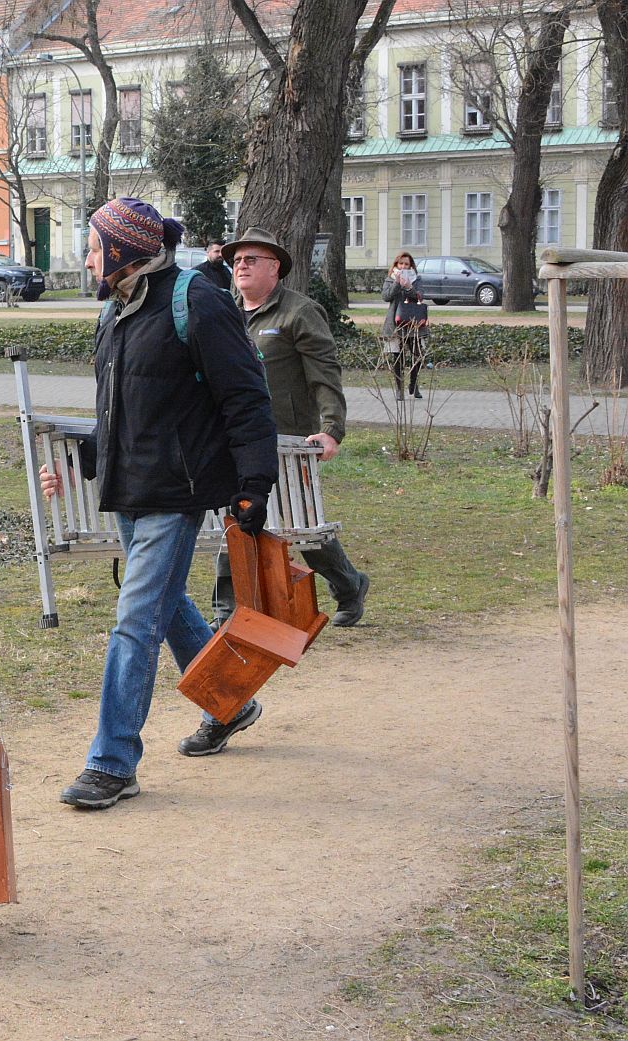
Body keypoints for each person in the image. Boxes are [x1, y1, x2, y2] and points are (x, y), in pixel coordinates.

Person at [39, 197, 277, 809]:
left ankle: (112, 763)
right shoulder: (114, 310)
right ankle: (230, 701)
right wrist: (81, 462)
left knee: (135, 619)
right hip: (130, 489)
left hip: (177, 493)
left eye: (93, 247)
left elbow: (246, 398)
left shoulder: (197, 300)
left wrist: (253, 486)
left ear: (121, 250)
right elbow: (120, 406)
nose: (86, 259)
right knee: (164, 608)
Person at [211, 227, 370, 647]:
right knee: (236, 516)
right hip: (236, 438)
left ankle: (349, 585)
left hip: (289, 440)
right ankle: (225, 612)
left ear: (275, 268)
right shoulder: (225, 312)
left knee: (301, 525)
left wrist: (331, 429)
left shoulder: (299, 312)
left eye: (251, 259)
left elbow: (325, 375)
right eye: (236, 260)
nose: (241, 266)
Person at [381, 251, 427, 400]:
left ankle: (414, 384)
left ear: (410, 265)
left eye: (406, 264)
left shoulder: (416, 279)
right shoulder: (390, 279)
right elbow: (386, 296)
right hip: (395, 322)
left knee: (417, 355)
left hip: (413, 321)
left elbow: (420, 296)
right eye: (400, 263)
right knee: (397, 356)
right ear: (396, 264)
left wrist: (408, 287)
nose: (403, 266)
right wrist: (397, 283)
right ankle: (399, 389)